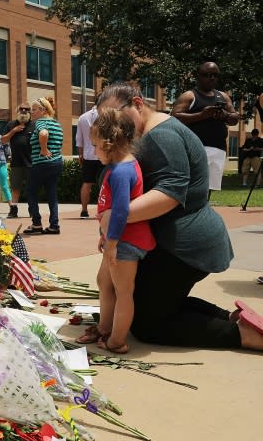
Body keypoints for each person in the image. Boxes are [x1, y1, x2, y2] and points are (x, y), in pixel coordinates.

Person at [96, 82, 263, 351]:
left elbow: (170, 192)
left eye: (116, 114)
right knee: (146, 300)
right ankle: (228, 318)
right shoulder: (149, 135)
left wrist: (116, 217)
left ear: (138, 104)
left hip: (187, 245)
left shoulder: (162, 136)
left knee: (146, 324)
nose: (112, 124)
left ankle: (242, 336)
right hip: (178, 242)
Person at [75, 108, 155, 354]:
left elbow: (121, 211)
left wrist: (111, 243)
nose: (94, 150)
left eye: (96, 145)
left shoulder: (121, 171)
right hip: (117, 238)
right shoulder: (118, 166)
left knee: (123, 291)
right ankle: (105, 327)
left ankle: (117, 340)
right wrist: (105, 236)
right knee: (104, 281)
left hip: (125, 242)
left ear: (110, 143)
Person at [171, 61, 240, 197]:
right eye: (207, 75)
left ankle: (203, 214)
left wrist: (225, 115)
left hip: (218, 148)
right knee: (194, 187)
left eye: (215, 75)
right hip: (197, 148)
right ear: (198, 76)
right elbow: (174, 116)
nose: (211, 78)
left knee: (210, 188)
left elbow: (235, 118)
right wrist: (202, 115)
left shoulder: (223, 96)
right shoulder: (190, 95)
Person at [23, 96, 64, 235]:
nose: (31, 113)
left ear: (43, 110)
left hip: (42, 164)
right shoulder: (56, 123)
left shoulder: (41, 122)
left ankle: (36, 223)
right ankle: (54, 225)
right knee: (52, 194)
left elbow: (44, 133)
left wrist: (44, 149)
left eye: (34, 110)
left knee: (30, 192)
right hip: (56, 162)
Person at [2, 102, 35, 218]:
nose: (24, 111)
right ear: (18, 111)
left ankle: (33, 209)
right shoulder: (11, 125)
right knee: (15, 188)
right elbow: (3, 140)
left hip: (31, 163)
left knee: (31, 188)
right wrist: (14, 131)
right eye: (22, 109)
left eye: (27, 109)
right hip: (16, 163)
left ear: (30, 112)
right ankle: (13, 210)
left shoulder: (34, 125)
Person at [76, 99, 103, 218]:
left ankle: (84, 210)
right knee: (104, 184)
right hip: (104, 154)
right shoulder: (105, 115)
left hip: (88, 155)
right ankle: (103, 209)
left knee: (86, 183)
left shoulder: (82, 117)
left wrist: (80, 155)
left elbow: (79, 139)